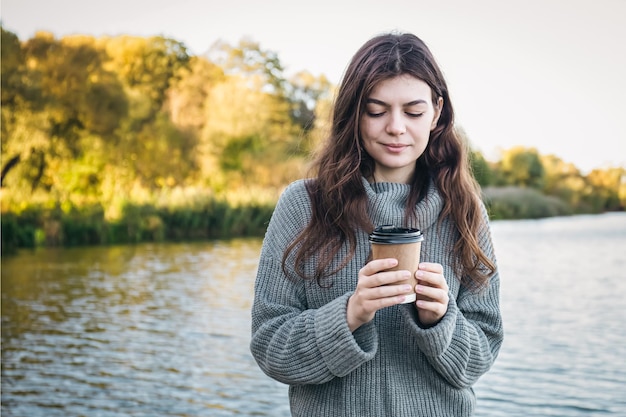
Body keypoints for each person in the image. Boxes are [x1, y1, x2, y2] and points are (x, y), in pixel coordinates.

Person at [250, 31, 503, 416]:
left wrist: (441, 321)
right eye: (376, 110)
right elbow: (270, 348)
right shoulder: (303, 205)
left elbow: (480, 357)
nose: (396, 127)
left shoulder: (465, 212)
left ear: (436, 112)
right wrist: (351, 313)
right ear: (354, 113)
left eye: (413, 112)